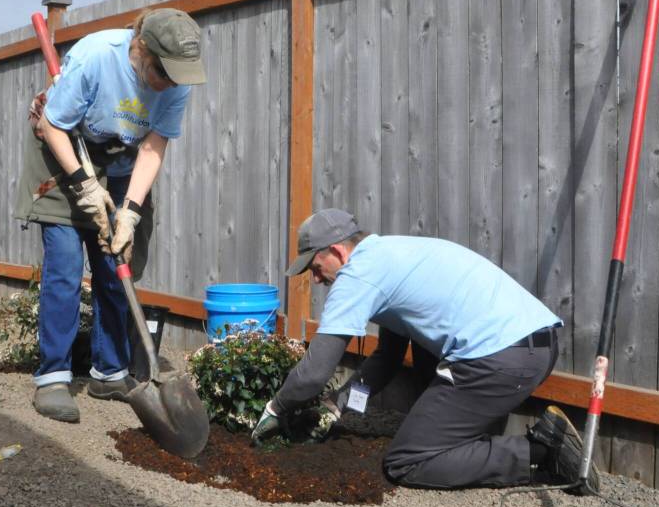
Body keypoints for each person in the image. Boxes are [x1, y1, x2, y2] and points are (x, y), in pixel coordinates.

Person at [251, 208, 600, 492]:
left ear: (338, 252)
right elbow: (387, 359)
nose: (315, 279)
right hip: (537, 344)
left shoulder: (357, 276)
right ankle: (459, 438)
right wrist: (338, 405)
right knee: (421, 353)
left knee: (406, 462)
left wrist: (276, 408)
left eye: (315, 267)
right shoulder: (392, 255)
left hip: (501, 358)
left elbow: (313, 374)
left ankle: (543, 452)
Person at [15, 8, 205, 423]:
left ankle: (108, 371)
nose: (169, 83)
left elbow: (154, 146)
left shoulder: (179, 79)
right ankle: (53, 377)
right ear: (140, 49)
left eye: (176, 75)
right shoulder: (97, 56)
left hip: (121, 163)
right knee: (65, 266)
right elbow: (53, 126)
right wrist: (85, 186)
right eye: (162, 72)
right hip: (62, 152)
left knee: (116, 261)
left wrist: (130, 213)